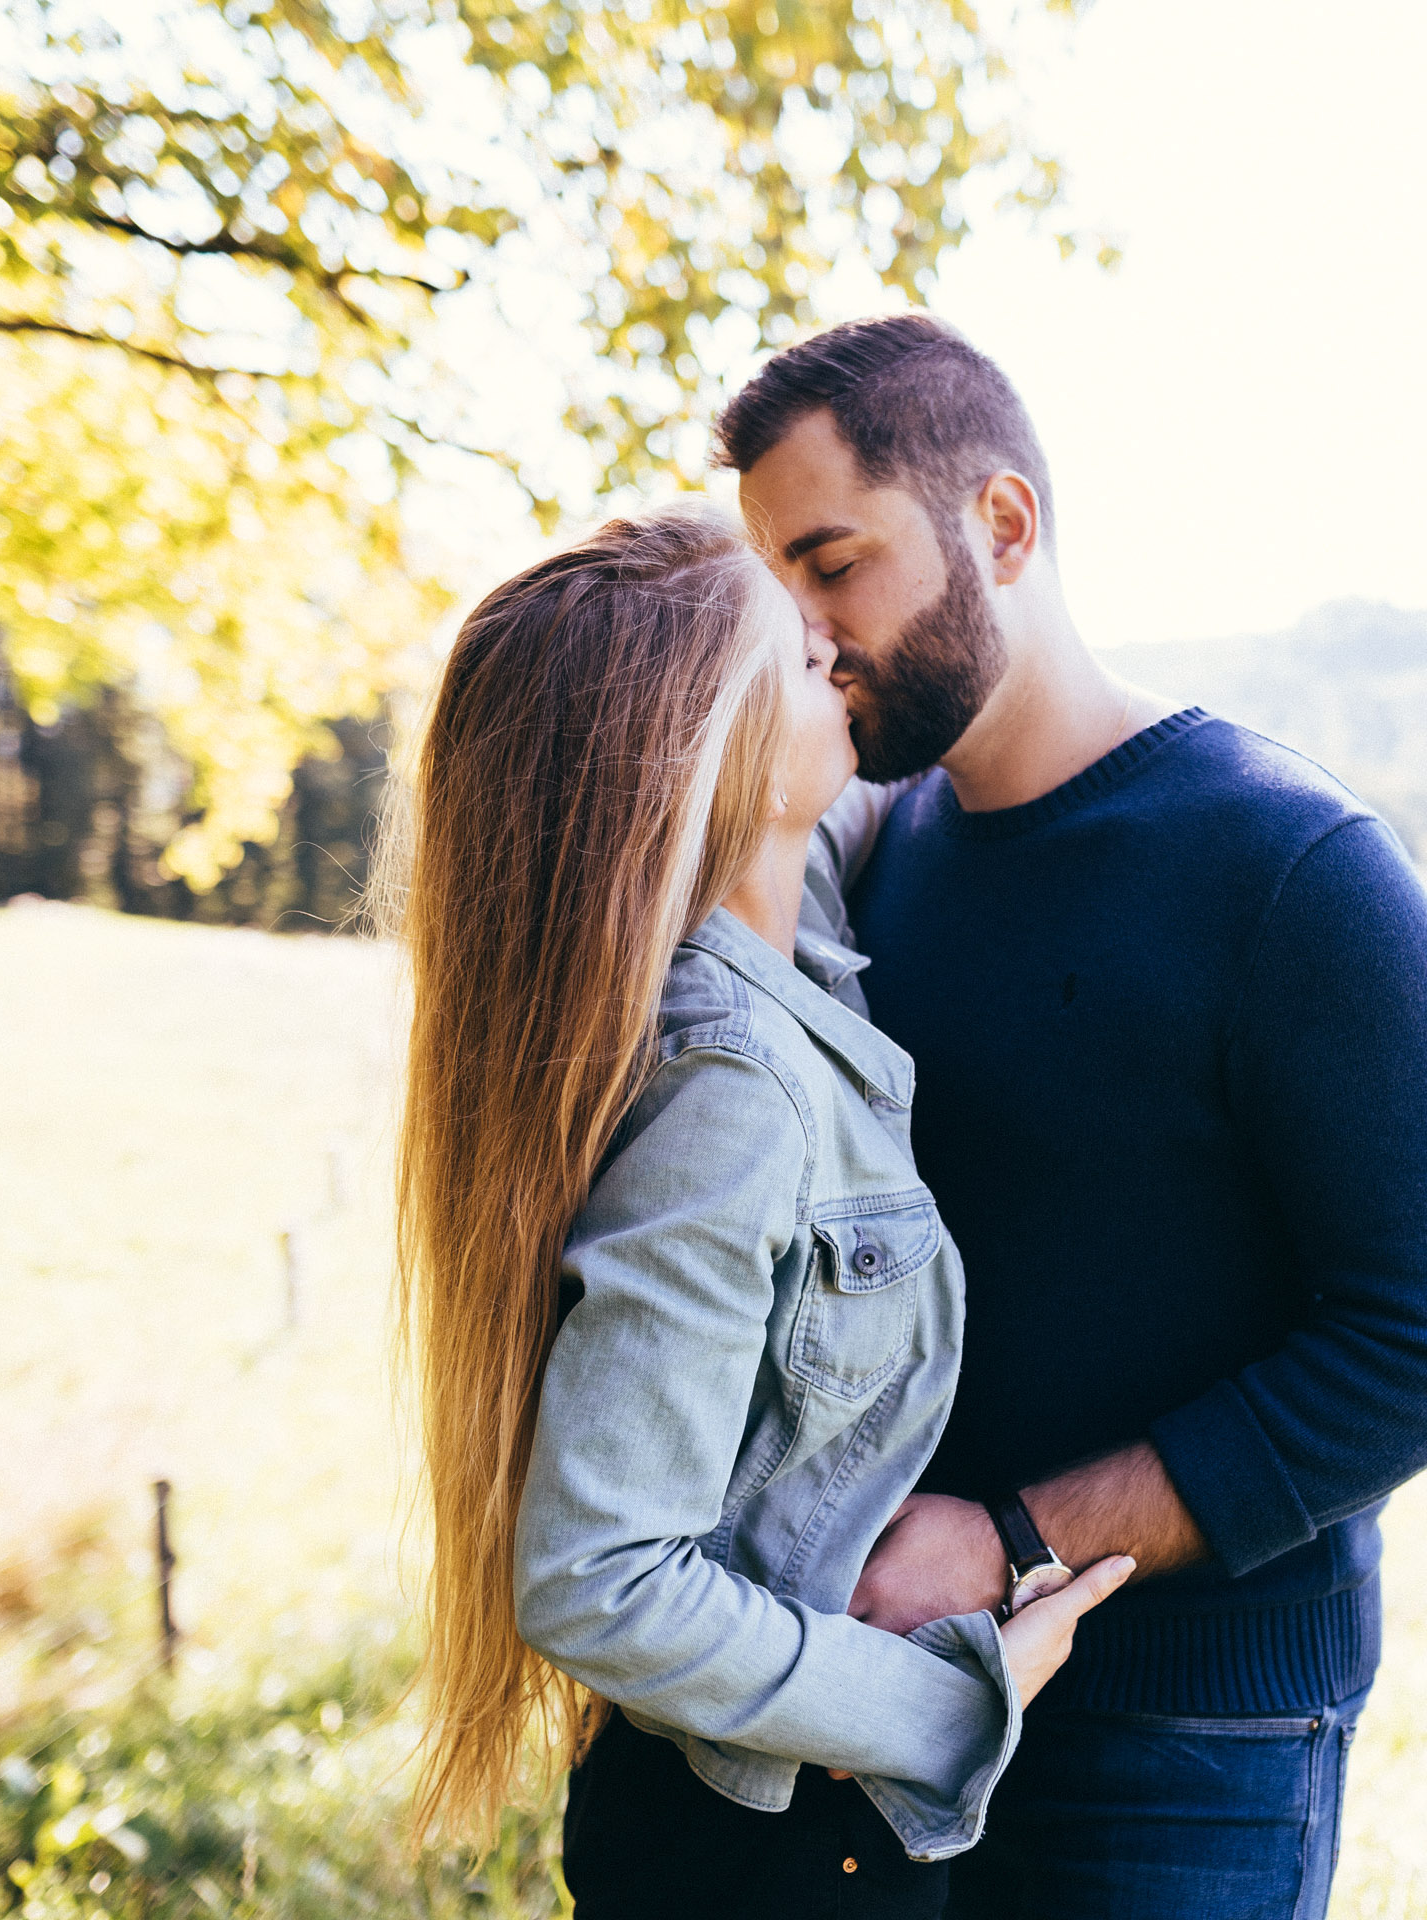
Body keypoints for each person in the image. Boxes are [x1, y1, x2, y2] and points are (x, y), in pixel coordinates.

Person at [717, 315, 1427, 1919]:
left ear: (1001, 526)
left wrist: (1010, 1540)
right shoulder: (883, 853)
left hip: (1191, 1736)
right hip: (898, 1705)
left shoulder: (1295, 873)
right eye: (772, 594)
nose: (802, 638)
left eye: (833, 565)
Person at [387, 504, 1130, 1917]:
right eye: (798, 659)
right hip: (771, 1855)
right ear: (717, 755)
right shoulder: (732, 1092)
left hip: (764, 1828)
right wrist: (944, 1707)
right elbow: (597, 1575)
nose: (841, 659)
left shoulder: (800, 964)